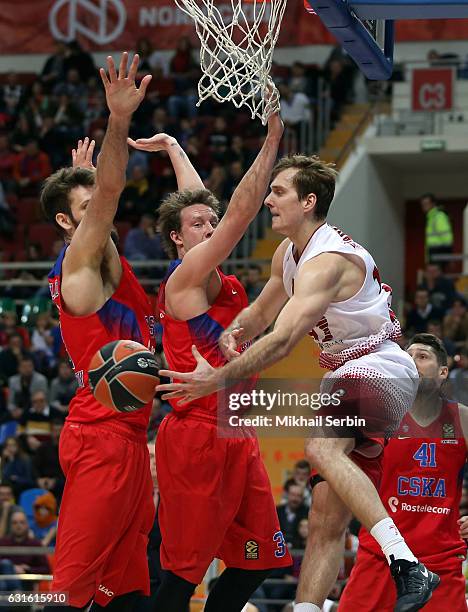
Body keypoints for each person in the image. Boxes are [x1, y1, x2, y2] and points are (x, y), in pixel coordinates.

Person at [157, 154, 440, 612]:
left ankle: (407, 563)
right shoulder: (288, 254)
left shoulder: (326, 262)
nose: (269, 200)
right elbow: (263, 314)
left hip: (381, 365)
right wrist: (237, 330)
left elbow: (286, 338)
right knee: (325, 519)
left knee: (320, 448)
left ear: (308, 201)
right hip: (344, 371)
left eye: (279, 192)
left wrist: (218, 379)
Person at [130, 111, 291, 611]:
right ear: (178, 240)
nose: (209, 226)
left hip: (237, 431)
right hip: (197, 435)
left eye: (210, 223)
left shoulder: (211, 270)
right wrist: (272, 141)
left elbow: (200, 208)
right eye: (197, 226)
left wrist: (176, 149)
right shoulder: (185, 279)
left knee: (258, 559)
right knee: (181, 575)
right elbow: (239, 213)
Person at [39, 52, 156, 610]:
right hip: (101, 440)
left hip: (130, 440)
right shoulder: (83, 257)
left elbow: (100, 192)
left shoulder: (99, 253)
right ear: (67, 223)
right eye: (85, 206)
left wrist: (85, 172)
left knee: (126, 587)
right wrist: (118, 122)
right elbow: (109, 194)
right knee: (68, 589)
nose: (100, 208)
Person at [340, 333, 468, 611]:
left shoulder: (463, 419)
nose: (411, 363)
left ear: (443, 372)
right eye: (407, 357)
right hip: (381, 555)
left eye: (422, 357)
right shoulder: (376, 415)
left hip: (441, 561)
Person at [420, 193, 454, 265]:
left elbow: (446, 236)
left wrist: (449, 254)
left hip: (440, 253)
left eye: (426, 204)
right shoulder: (431, 217)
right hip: (433, 252)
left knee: (436, 275)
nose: (424, 206)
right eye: (423, 204)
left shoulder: (439, 216)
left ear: (433, 204)